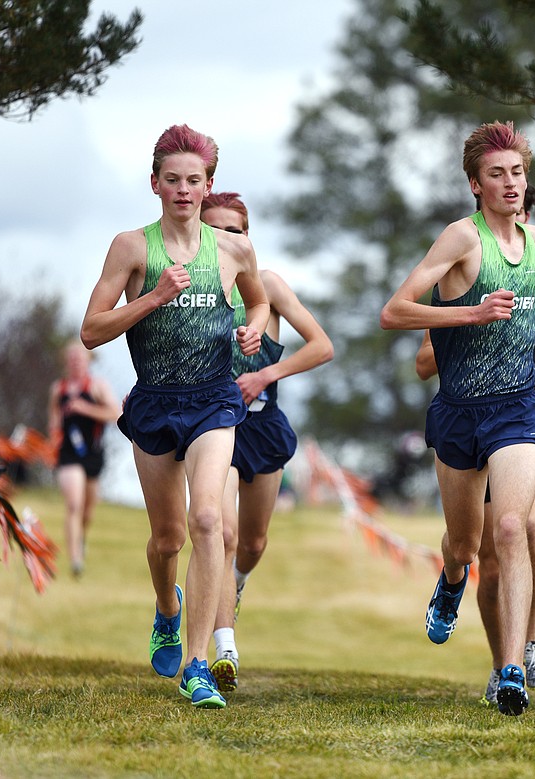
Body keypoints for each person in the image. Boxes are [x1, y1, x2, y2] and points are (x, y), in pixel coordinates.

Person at [380, 121, 535, 717]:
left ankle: (512, 667)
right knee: (464, 545)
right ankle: (450, 581)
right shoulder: (460, 239)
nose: (509, 183)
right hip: (457, 412)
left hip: (518, 408)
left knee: (512, 528)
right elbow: (394, 312)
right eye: (496, 174)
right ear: (475, 184)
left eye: (517, 172)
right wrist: (470, 315)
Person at [80, 125, 270, 709]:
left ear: (207, 185)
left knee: (209, 520)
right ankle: (168, 609)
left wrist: (255, 326)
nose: (184, 190)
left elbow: (259, 298)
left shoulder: (234, 250)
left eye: (194, 180)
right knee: (166, 538)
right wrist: (155, 297)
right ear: (155, 185)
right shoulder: (132, 248)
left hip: (215, 399)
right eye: (173, 180)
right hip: (157, 403)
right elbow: (91, 331)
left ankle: (197, 665)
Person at [198, 191, 334, 694]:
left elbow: (323, 346)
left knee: (251, 543)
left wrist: (267, 374)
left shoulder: (269, 286)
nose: (225, 239)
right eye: (214, 230)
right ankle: (224, 647)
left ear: (248, 236)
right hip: (213, 427)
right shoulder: (193, 287)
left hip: (262, 423)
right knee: (222, 531)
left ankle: (231, 584)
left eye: (234, 230)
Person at [47, 342, 122, 578]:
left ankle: (81, 538)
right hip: (68, 455)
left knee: (87, 511)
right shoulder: (58, 389)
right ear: (66, 362)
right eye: (71, 358)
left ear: (89, 360)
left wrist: (84, 408)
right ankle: (75, 560)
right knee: (73, 505)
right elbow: (54, 420)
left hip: (92, 453)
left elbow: (115, 414)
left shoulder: (98, 387)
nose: (76, 362)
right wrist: (52, 443)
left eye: (80, 358)